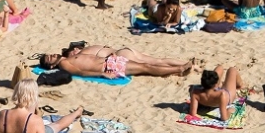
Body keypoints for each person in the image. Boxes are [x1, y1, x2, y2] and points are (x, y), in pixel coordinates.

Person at [39, 43, 191, 79]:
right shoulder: (64, 64)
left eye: (50, 54)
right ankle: (178, 69)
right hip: (108, 66)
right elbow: (81, 72)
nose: (52, 55)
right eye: (49, 58)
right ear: (51, 65)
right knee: (146, 67)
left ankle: (180, 67)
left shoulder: (69, 57)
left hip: (110, 61)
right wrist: (102, 74)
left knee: (147, 65)